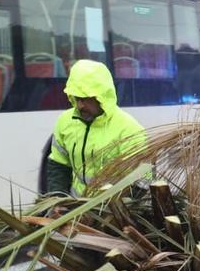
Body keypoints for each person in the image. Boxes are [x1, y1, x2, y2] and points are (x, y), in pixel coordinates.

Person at [45, 59, 147, 196]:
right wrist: (58, 200)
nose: (80, 105)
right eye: (77, 98)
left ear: (102, 97)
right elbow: (58, 165)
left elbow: (143, 180)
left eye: (85, 99)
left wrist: (116, 211)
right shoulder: (64, 122)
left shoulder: (130, 130)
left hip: (114, 212)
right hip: (76, 208)